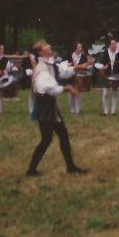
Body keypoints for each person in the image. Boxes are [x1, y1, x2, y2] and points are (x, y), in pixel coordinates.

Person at [26, 40, 87, 176]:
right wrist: (67, 88)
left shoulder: (49, 65)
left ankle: (33, 169)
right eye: (46, 46)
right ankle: (69, 167)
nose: (49, 46)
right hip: (45, 105)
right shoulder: (41, 69)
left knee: (49, 138)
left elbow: (62, 71)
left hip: (48, 105)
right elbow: (47, 88)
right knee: (53, 137)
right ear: (41, 52)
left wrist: (78, 68)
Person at [95, 38, 119, 115]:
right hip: (105, 75)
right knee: (105, 93)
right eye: (113, 44)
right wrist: (102, 67)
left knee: (114, 93)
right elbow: (97, 63)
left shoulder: (118, 54)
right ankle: (105, 111)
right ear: (109, 45)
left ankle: (113, 111)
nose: (115, 46)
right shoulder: (104, 53)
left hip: (115, 76)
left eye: (115, 44)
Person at [68, 42, 91, 114]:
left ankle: (77, 108)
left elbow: (87, 65)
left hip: (80, 75)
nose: (81, 48)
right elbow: (74, 66)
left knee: (78, 91)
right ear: (75, 48)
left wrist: (85, 65)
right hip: (71, 75)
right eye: (79, 47)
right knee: (71, 92)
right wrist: (83, 65)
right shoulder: (71, 55)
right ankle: (72, 108)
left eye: (81, 47)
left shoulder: (83, 56)